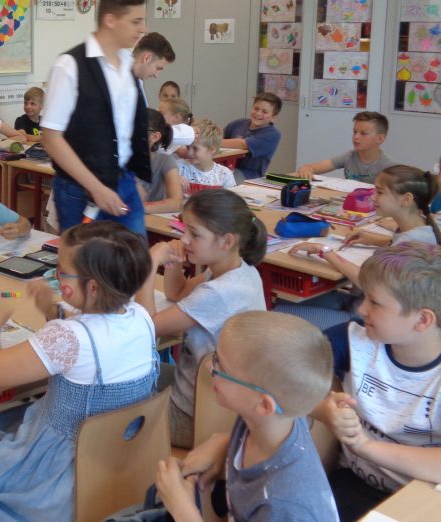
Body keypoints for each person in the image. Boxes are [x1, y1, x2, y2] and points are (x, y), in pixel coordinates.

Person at [0, 222, 157, 522]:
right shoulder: (142, 317)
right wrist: (50, 309)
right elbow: (91, 338)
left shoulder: (68, 337)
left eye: (62, 272)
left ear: (93, 288)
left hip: (64, 477)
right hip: (125, 459)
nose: (55, 277)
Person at [155, 311, 338, 522]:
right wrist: (223, 444)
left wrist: (182, 510)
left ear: (263, 405)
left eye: (220, 365)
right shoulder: (269, 419)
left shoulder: (284, 507)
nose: (208, 366)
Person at [317, 244, 441, 521]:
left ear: (422, 320)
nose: (361, 309)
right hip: (354, 483)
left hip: (422, 496)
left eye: (374, 302)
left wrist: (364, 446)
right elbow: (287, 376)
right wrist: (323, 408)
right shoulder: (353, 338)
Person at [137, 188, 268, 448]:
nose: (184, 239)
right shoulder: (236, 270)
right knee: (125, 377)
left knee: (109, 400)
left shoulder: (220, 293)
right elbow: (177, 293)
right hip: (202, 396)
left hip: (195, 417)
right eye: (184, 230)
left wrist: (150, 263)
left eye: (194, 234)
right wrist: (174, 262)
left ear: (227, 241)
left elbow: (143, 326)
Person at [42, 0, 151, 235]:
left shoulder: (128, 64)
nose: (142, 29)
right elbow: (51, 138)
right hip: (80, 189)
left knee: (135, 255)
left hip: (124, 182)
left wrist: (132, 177)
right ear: (110, 20)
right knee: (84, 256)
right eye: (135, 21)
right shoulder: (70, 66)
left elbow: (125, 130)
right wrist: (96, 187)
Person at [291, 164, 441, 289]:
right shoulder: (419, 226)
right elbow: (400, 246)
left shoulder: (411, 242)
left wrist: (324, 251)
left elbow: (369, 284)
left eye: (380, 192)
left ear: (406, 199)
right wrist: (373, 240)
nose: (372, 197)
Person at [296, 111, 395, 184]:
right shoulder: (349, 156)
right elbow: (316, 167)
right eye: (355, 132)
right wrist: (306, 169)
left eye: (363, 133)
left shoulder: (387, 166)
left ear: (380, 138)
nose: (356, 137)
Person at [223, 92, 283, 182]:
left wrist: (211, 142)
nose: (258, 113)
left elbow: (243, 144)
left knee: (223, 180)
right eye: (256, 108)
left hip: (249, 175)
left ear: (273, 118)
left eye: (264, 112)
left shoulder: (272, 134)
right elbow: (221, 138)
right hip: (225, 168)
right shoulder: (237, 123)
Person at [141, 107, 183, 214]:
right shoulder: (120, 159)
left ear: (155, 137)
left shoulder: (165, 161)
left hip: (151, 219)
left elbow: (177, 202)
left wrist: (137, 208)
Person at [178, 119, 237, 190]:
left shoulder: (224, 175)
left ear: (212, 149)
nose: (189, 153)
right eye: (187, 147)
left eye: (195, 148)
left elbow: (231, 196)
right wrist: (174, 178)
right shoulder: (178, 168)